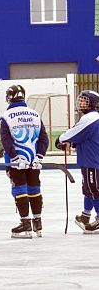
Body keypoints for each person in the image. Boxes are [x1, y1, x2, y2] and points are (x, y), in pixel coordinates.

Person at [0, 85, 49, 238]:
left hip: (16, 162)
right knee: (34, 188)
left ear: (9, 97)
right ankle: (37, 222)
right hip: (33, 160)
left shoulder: (6, 116)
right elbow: (43, 138)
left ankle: (25, 223)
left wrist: (15, 157)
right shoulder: (35, 114)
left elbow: (6, 140)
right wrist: (39, 156)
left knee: (19, 190)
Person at [56, 90, 99, 233]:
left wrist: (61, 139)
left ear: (92, 103)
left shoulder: (90, 118)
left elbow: (73, 133)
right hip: (88, 159)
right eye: (80, 100)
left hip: (93, 161)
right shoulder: (91, 118)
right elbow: (83, 137)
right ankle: (86, 215)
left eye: (84, 100)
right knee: (88, 189)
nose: (80, 103)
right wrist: (72, 143)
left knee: (94, 190)